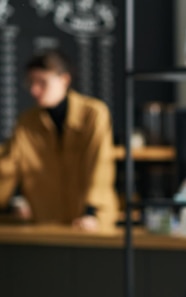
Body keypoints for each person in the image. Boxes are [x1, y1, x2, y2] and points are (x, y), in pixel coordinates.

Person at [0, 49, 118, 230]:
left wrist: (91, 213)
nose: (34, 90)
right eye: (31, 82)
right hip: (47, 221)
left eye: (42, 82)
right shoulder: (26, 123)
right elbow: (7, 166)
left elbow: (99, 165)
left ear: (65, 79)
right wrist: (9, 204)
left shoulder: (93, 113)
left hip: (92, 221)